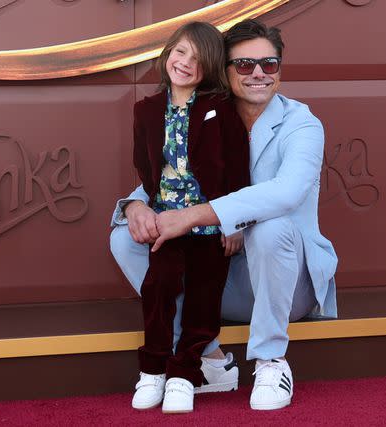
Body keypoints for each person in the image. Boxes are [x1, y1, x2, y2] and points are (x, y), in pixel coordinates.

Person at [110, 19, 337, 411]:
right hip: (220, 277)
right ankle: (206, 356)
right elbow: (173, 176)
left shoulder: (301, 123)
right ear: (224, 71)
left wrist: (198, 215)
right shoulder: (204, 112)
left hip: (284, 283)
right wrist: (134, 206)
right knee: (127, 236)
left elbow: (287, 192)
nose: (259, 74)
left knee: (271, 229)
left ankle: (271, 360)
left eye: (270, 63)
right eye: (245, 65)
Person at [126, 22, 249, 413]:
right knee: (158, 287)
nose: (184, 63)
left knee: (203, 297)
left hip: (211, 222)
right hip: (166, 220)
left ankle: (184, 373)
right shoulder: (145, 110)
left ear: (209, 67)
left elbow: (237, 171)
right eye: (180, 52)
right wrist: (144, 206)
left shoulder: (222, 108)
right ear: (167, 54)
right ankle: (153, 370)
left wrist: (235, 222)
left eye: (196, 59)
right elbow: (145, 169)